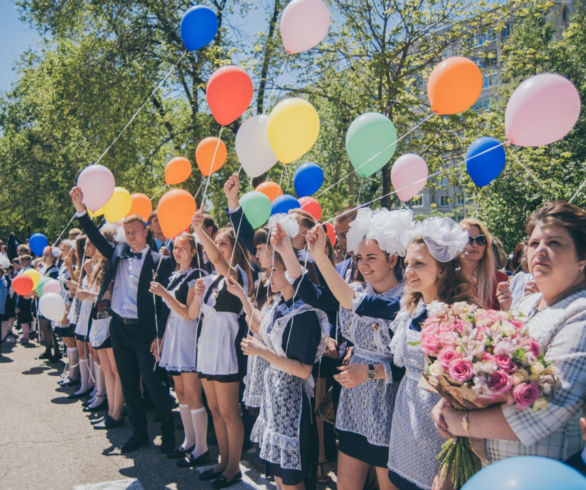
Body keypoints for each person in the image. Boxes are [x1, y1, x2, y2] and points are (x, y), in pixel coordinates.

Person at [433, 201, 586, 466]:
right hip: (493, 469)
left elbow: (545, 412)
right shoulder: (525, 305)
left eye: (555, 243)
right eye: (534, 243)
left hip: (543, 474)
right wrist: (453, 401)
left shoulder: (580, 314)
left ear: (582, 259)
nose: (540, 251)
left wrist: (461, 422)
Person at [299, 208, 410, 490]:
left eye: (371, 258)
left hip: (388, 408)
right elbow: (336, 298)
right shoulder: (360, 290)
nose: (363, 265)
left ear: (393, 258)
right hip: (353, 405)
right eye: (360, 258)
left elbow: (407, 366)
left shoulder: (407, 301)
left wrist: (368, 372)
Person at [370, 217, 474, 490]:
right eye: (407, 263)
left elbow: (467, 395)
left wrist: (451, 464)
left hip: (440, 426)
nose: (409, 271)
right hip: (406, 417)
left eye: (419, 263)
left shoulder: (459, 315)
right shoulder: (409, 310)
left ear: (441, 269)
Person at [70, 186, 175, 454]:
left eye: (134, 232)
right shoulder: (118, 252)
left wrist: (159, 336)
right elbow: (94, 235)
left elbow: (164, 305)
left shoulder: (159, 261)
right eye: (126, 233)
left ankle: (170, 435)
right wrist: (81, 210)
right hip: (119, 328)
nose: (129, 236)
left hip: (145, 331)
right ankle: (139, 432)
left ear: (146, 232)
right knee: (128, 383)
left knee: (153, 383)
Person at [227, 251, 330, 490]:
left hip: (294, 408)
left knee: (293, 483)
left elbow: (304, 371)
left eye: (273, 270)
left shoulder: (304, 314)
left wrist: (263, 352)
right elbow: (262, 328)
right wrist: (242, 295)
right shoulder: (280, 305)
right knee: (281, 481)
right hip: (275, 401)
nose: (267, 275)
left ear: (292, 272)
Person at [190, 208, 251, 487]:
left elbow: (214, 257)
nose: (218, 249)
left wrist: (200, 231)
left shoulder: (236, 274)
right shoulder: (212, 280)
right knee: (214, 410)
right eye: (218, 244)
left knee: (229, 412)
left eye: (223, 243)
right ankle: (222, 460)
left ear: (233, 248)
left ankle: (234, 467)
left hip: (226, 350)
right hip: (207, 349)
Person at [149, 233, 209, 466]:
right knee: (181, 393)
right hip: (173, 337)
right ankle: (189, 441)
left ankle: (202, 448)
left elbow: (187, 313)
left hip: (188, 337)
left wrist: (164, 293)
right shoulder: (174, 275)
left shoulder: (197, 276)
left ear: (194, 252)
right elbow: (168, 314)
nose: (178, 252)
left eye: (183, 248)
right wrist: (161, 339)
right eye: (175, 248)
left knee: (193, 394)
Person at [459, 218, 509, 310]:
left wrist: (505, 307)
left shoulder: (499, 280)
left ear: (486, 246)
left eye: (480, 240)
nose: (475, 244)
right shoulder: (448, 278)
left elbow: (505, 319)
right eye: (468, 239)